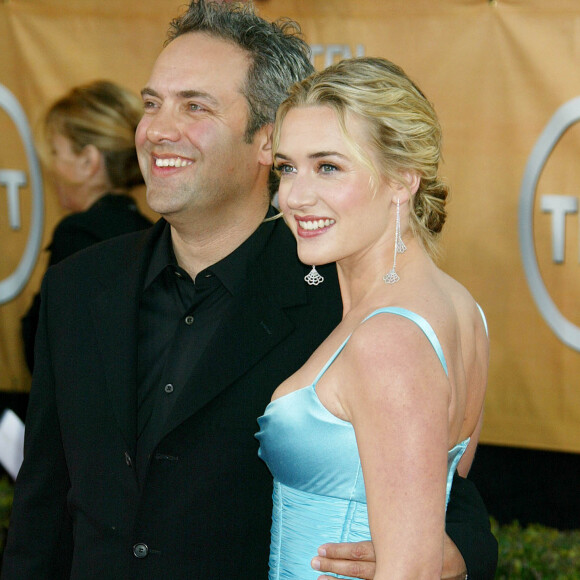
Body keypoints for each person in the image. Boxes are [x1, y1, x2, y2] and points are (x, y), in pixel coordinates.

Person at [2, 2, 497, 579]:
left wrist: (452, 555)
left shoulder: (336, 299)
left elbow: (440, 492)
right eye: (152, 103)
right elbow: (42, 506)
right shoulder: (80, 286)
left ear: (266, 139)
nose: (159, 129)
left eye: (195, 106)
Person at [256, 56, 490, 579]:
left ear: (403, 179)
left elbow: (410, 571)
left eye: (329, 166)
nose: (294, 195)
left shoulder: (390, 339)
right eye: (287, 167)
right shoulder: (460, 308)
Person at [20, 80, 152, 372]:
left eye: (56, 152)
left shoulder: (79, 233)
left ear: (88, 161)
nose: (52, 167)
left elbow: (51, 351)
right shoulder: (151, 232)